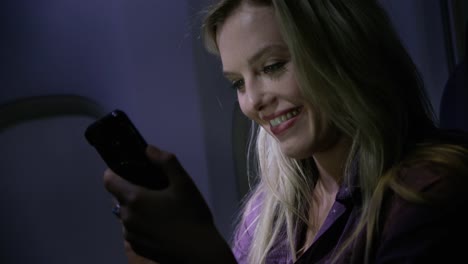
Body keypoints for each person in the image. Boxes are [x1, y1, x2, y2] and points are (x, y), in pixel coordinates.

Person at [103, 0, 468, 263]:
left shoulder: (428, 193)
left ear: (343, 50)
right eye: (237, 83)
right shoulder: (266, 212)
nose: (252, 102)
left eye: (272, 66)